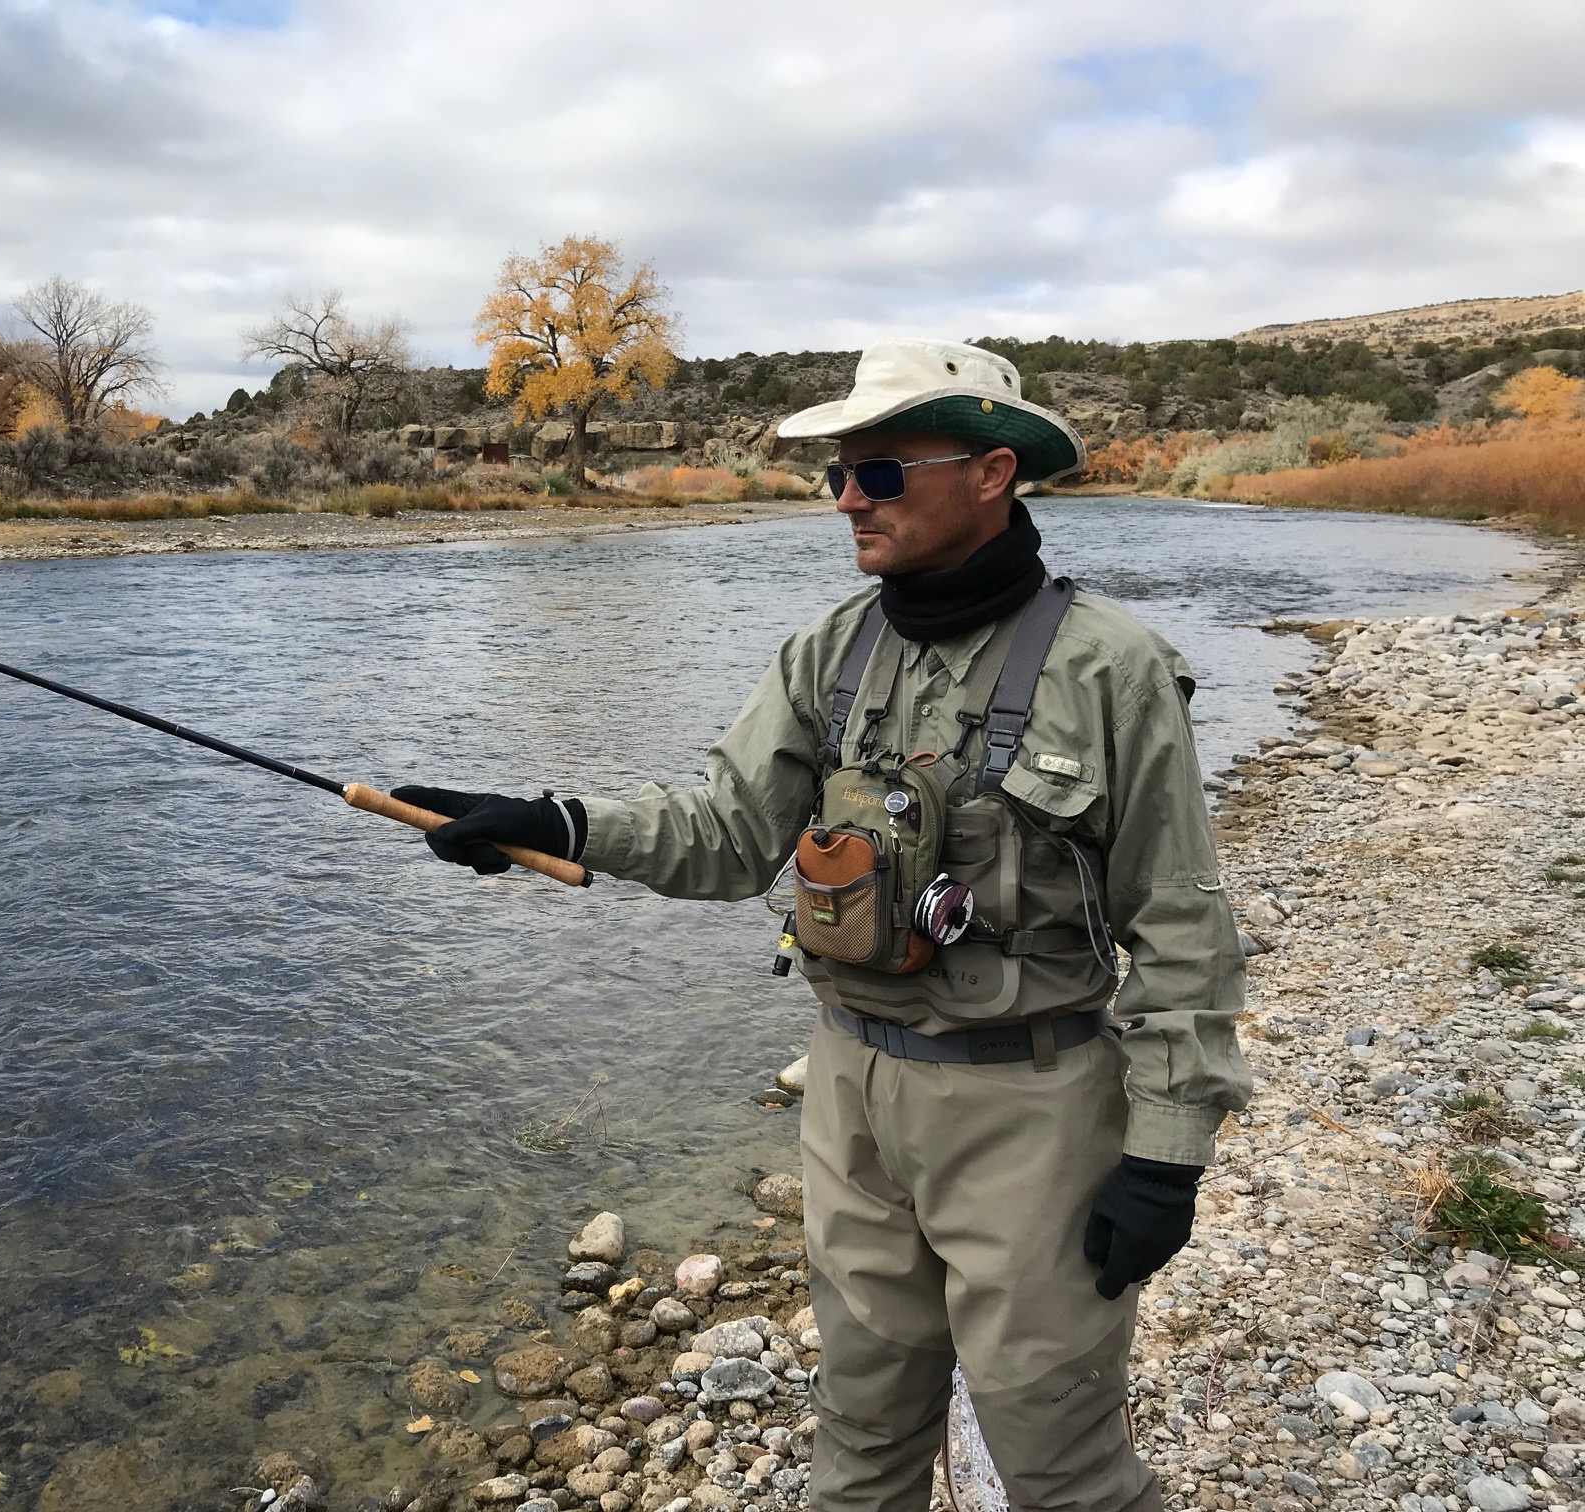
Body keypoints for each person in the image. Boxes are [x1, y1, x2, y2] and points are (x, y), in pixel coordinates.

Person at [396, 337, 1251, 1512]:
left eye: (882, 472)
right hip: (847, 1099)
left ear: (994, 472)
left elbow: (1183, 921)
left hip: (1036, 1110)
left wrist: (1166, 1152)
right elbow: (725, 834)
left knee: (1061, 1463)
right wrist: (553, 819)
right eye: (838, 474)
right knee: (857, 1437)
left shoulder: (1115, 668)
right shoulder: (825, 654)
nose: (848, 497)